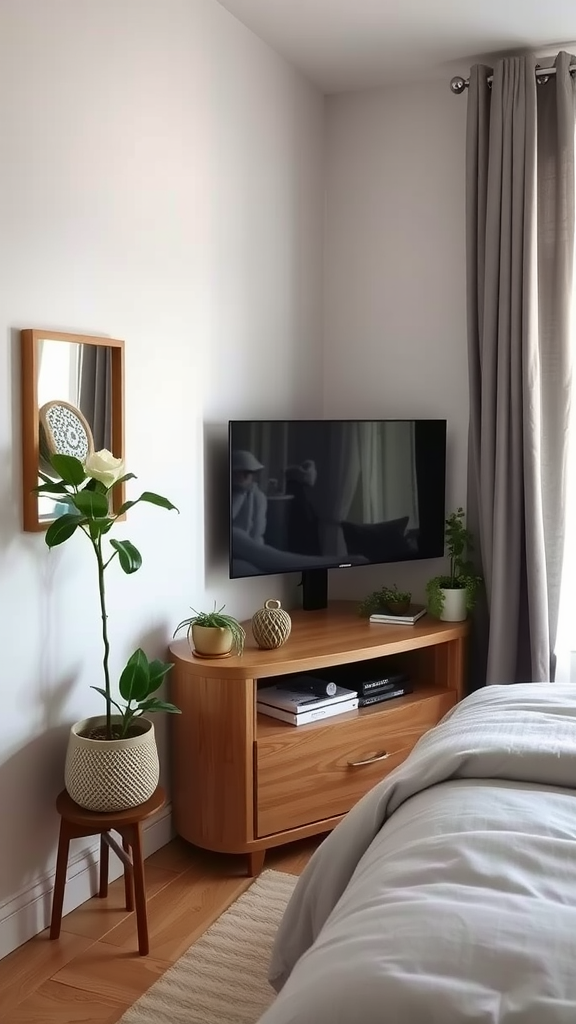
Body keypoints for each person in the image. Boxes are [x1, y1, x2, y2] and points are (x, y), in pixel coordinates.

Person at [231, 450, 267, 544]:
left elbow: (257, 529)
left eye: (249, 473)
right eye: (244, 473)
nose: (248, 477)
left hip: (252, 545)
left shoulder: (258, 496)